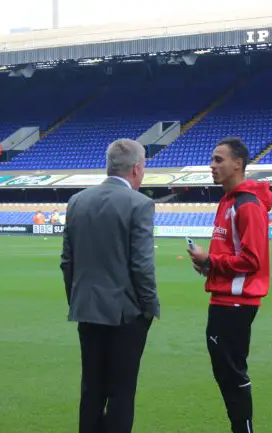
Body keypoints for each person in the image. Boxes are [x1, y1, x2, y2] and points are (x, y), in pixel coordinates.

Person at [60, 138, 160, 433]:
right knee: (121, 394)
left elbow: (67, 262)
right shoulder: (139, 204)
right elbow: (142, 267)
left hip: (87, 309)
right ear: (136, 169)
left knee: (91, 390)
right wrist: (149, 308)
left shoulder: (77, 201)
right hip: (125, 314)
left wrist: (77, 300)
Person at [187, 137, 272, 433]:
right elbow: (231, 255)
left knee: (232, 374)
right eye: (212, 159)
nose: (212, 165)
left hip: (236, 302)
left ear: (238, 164)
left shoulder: (247, 205)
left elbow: (252, 259)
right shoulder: (228, 201)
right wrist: (208, 266)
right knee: (226, 373)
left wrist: (211, 261)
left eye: (218, 159)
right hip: (224, 299)